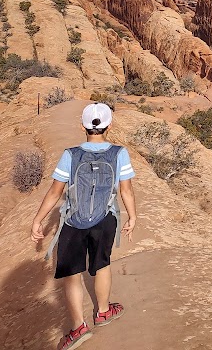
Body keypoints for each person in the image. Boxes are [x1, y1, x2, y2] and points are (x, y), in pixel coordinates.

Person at [31, 103, 137, 350]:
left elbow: (55, 192)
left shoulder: (70, 154)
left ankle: (78, 326)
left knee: (72, 273)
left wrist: (38, 220)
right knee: (102, 265)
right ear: (109, 126)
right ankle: (102, 312)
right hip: (105, 219)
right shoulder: (119, 153)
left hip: (73, 220)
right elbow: (126, 190)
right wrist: (132, 217)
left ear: (83, 126)